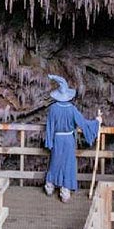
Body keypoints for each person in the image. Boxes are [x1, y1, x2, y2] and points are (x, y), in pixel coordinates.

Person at [43, 74, 100, 202]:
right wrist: (97, 122)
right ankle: (65, 192)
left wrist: (49, 141)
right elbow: (83, 123)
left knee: (55, 161)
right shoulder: (72, 109)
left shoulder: (53, 108)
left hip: (57, 139)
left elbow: (50, 126)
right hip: (68, 140)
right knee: (68, 164)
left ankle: (49, 186)